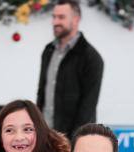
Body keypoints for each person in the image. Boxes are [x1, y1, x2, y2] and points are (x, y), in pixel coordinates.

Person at [36, 0, 103, 140]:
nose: (55, 22)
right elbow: (41, 94)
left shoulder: (91, 58)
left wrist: (73, 143)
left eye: (61, 17)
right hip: (44, 136)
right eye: (54, 17)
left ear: (76, 19)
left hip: (72, 141)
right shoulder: (48, 50)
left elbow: (87, 108)